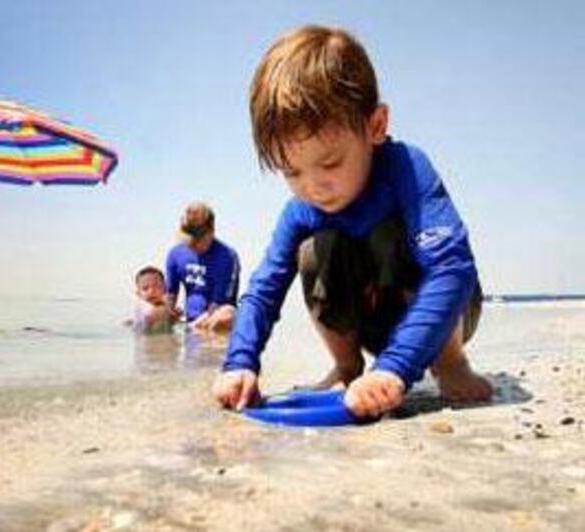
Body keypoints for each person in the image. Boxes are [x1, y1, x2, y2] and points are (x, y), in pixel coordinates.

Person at [212, 25, 493, 418]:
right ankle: (348, 366)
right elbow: (263, 290)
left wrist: (394, 368)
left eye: (330, 163)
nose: (313, 187)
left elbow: (452, 268)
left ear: (376, 126)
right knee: (311, 251)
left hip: (449, 315)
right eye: (291, 172)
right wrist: (239, 362)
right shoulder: (301, 210)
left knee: (391, 235)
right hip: (373, 319)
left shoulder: (407, 170)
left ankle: (450, 364)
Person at [166, 202, 241, 333]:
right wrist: (166, 314)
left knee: (226, 314)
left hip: (216, 316)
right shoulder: (175, 254)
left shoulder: (227, 256)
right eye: (188, 240)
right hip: (189, 321)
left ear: (211, 232)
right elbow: (170, 294)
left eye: (197, 241)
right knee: (152, 313)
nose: (192, 245)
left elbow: (220, 302)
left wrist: (196, 326)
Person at [132, 266, 174, 335]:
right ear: (138, 294)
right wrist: (168, 310)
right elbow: (152, 314)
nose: (151, 291)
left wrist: (173, 318)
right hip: (147, 339)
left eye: (157, 287)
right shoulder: (145, 307)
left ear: (165, 290)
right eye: (145, 289)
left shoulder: (162, 305)